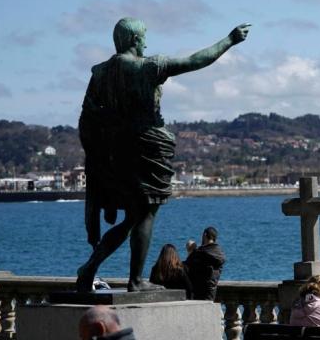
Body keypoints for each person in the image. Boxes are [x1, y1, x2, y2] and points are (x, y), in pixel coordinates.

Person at [75, 17, 249, 293]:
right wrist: (229, 40)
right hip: (146, 149)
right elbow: (195, 61)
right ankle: (133, 281)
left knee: (133, 217)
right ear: (134, 40)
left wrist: (98, 155)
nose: (146, 42)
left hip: (117, 153)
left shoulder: (100, 73)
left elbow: (87, 119)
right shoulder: (147, 67)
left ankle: (90, 269)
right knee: (144, 215)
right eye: (143, 37)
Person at [185, 226, 225, 300]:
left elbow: (187, 267)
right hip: (212, 292)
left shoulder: (200, 253)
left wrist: (190, 251)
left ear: (205, 235)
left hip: (199, 292)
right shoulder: (220, 253)